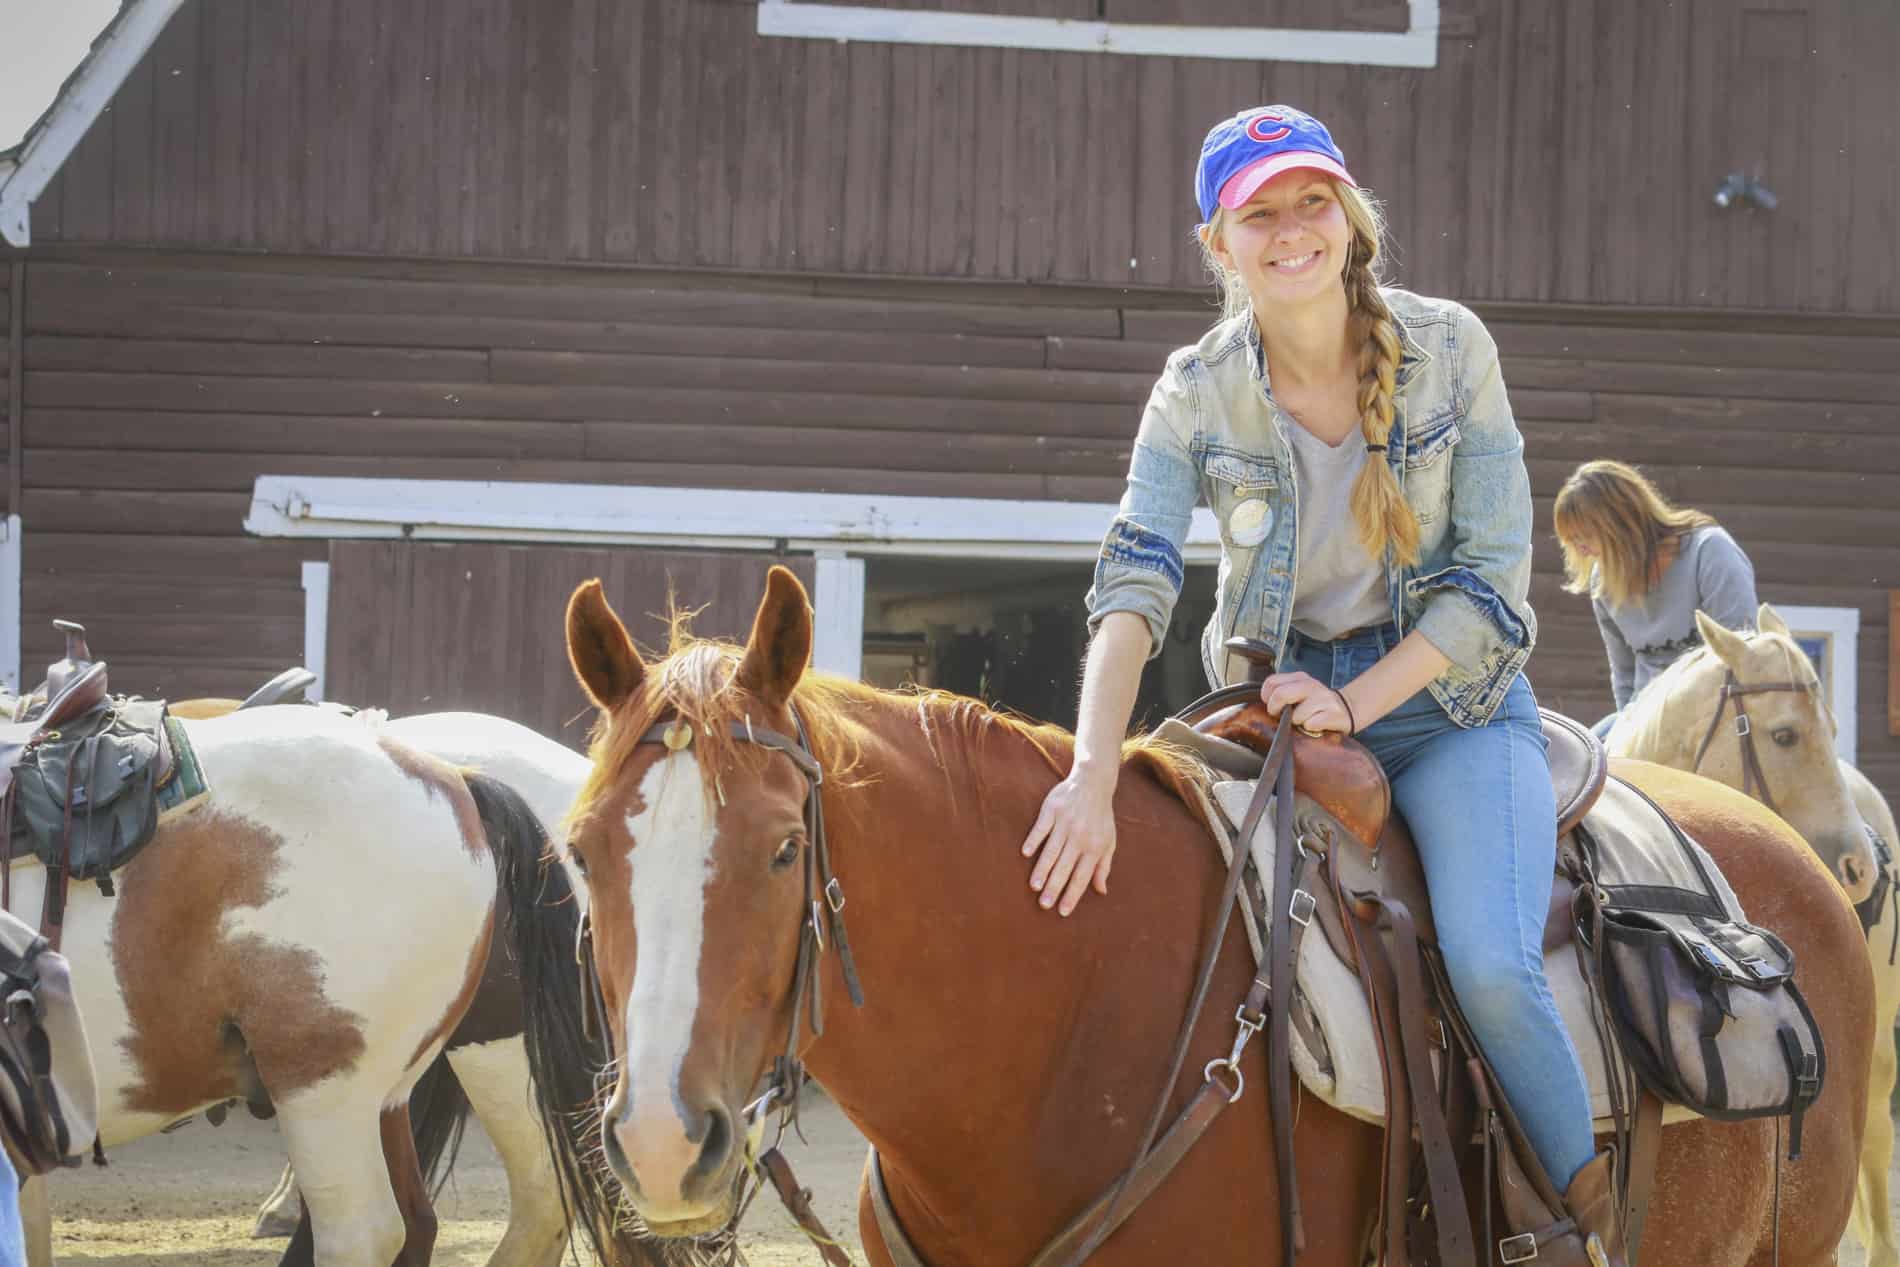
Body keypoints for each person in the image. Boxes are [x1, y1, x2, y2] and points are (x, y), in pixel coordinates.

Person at [1017, 106, 1625, 1262]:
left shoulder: (1452, 349)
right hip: (1277, 713)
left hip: (1448, 706)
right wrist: (1090, 771)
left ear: (1349, 217)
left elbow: (1494, 587)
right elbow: (1135, 580)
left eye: (1311, 202)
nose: (1290, 230)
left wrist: (1358, 702)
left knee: (1493, 965)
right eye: (1260, 213)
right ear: (1219, 245)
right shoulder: (1194, 389)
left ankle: (1582, 1225)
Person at [1553, 459, 1759, 739]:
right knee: (1581, 761)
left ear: (1621, 522)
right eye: (1572, 540)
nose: (1582, 550)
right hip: (1645, 720)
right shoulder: (1602, 581)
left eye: (1585, 536)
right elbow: (1624, 675)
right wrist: (1630, 731)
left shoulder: (1710, 552)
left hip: (1713, 715)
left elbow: (1739, 653)